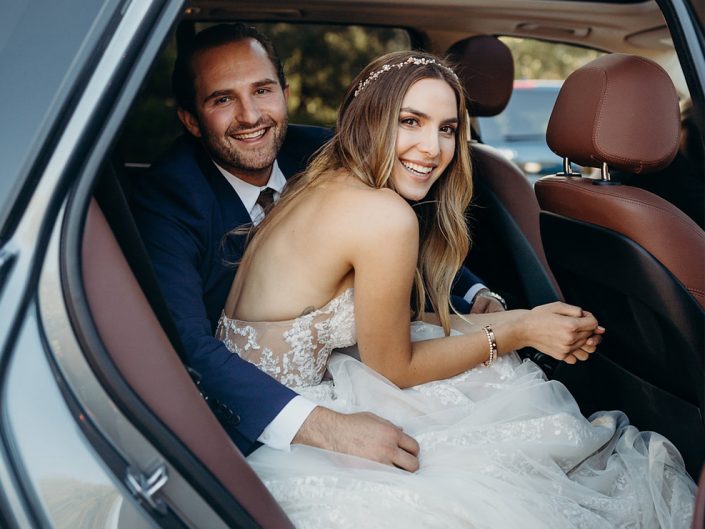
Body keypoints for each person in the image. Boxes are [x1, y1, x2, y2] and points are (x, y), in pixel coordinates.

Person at [218, 50, 696, 527]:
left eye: (447, 128)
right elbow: (394, 366)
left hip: (255, 402)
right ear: (368, 120)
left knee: (499, 388)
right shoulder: (383, 216)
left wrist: (523, 319)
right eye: (411, 122)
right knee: (508, 417)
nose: (432, 148)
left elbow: (378, 322)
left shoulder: (323, 183)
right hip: (288, 419)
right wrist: (517, 334)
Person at [131, 23, 492, 469]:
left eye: (262, 90)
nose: (250, 116)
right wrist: (322, 426)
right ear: (190, 119)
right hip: (251, 416)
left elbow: (392, 239)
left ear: (284, 91)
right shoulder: (167, 197)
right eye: (223, 99)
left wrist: (475, 294)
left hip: (342, 370)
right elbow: (183, 344)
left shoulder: (318, 149)